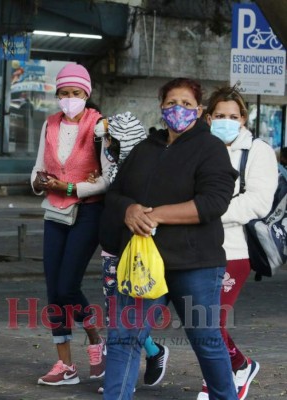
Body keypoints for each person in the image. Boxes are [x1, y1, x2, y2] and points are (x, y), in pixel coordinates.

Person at [99, 77, 239, 399]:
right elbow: (115, 193)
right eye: (172, 103)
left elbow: (213, 202)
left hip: (194, 264)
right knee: (124, 338)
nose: (179, 109)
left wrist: (157, 214)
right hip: (142, 263)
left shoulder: (210, 148)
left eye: (187, 104)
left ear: (200, 111)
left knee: (206, 341)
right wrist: (130, 209)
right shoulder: (144, 149)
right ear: (162, 108)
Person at [31, 63, 110, 386]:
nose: (69, 99)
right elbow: (37, 168)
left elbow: (108, 178)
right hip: (55, 212)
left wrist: (73, 188)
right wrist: (38, 181)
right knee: (53, 290)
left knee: (67, 286)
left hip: (88, 211)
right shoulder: (49, 125)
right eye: (64, 93)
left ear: (86, 94)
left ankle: (94, 337)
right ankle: (65, 365)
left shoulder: (99, 126)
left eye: (75, 93)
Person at [198, 85, 278, 400]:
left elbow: (258, 203)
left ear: (243, 118)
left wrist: (206, 213)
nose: (226, 121)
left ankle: (218, 383)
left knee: (210, 323)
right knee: (200, 320)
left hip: (235, 249)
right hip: (197, 248)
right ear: (208, 118)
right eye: (219, 115)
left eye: (233, 116)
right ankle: (240, 366)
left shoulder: (258, 151)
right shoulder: (199, 147)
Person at [94, 112, 169, 394]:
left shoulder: (140, 169)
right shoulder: (110, 162)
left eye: (113, 138)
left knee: (126, 319)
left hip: (135, 252)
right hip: (111, 250)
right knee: (115, 316)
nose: (108, 143)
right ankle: (133, 365)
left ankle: (136, 365)